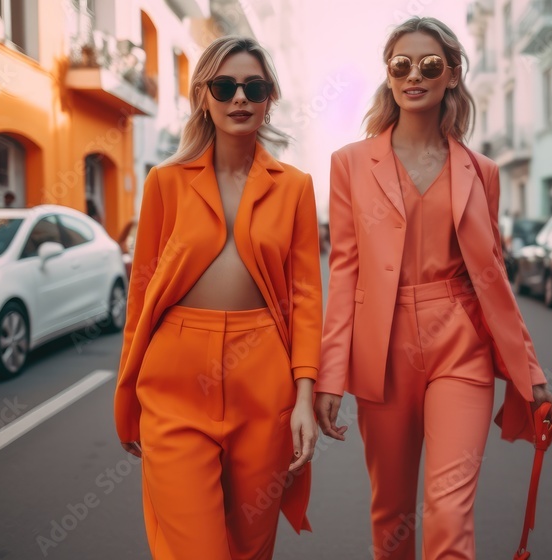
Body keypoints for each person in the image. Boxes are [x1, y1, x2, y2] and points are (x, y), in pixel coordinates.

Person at [314, 17, 552, 560]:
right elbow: (344, 271)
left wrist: (530, 371)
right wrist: (330, 375)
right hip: (383, 348)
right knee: (392, 513)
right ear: (389, 75)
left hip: (461, 344)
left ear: (452, 75)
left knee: (449, 510)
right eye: (401, 65)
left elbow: (492, 276)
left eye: (429, 65)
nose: (413, 76)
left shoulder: (482, 171)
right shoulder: (350, 163)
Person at [113, 36, 322, 559]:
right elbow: (142, 295)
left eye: (254, 86)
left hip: (263, 377)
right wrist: (128, 389)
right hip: (175, 379)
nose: (239, 99)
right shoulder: (165, 182)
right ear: (203, 95)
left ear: (270, 96)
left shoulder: (294, 186)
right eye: (225, 86)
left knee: (252, 547)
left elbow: (305, 299)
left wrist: (304, 396)